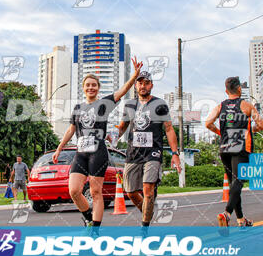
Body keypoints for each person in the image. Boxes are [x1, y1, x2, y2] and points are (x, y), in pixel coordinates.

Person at [53, 57, 143, 231]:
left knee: (95, 192)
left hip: (98, 152)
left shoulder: (103, 104)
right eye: (88, 85)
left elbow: (122, 91)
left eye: (94, 85)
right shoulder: (78, 108)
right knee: (74, 191)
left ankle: (95, 229)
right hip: (81, 152)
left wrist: (134, 76)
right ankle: (89, 218)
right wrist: (59, 148)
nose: (91, 87)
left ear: (98, 88)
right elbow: (71, 130)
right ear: (83, 88)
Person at [115, 71, 182, 233]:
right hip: (133, 153)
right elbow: (123, 126)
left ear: (151, 85)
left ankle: (144, 227)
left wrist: (175, 153)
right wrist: (111, 137)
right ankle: (148, 211)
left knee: (147, 189)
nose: (143, 86)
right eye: (140, 83)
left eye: (146, 83)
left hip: (153, 153)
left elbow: (168, 128)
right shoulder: (130, 104)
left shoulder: (160, 104)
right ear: (136, 85)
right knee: (130, 192)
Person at [205, 76, 263, 227]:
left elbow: (208, 123)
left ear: (226, 91)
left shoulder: (220, 106)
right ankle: (226, 214)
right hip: (241, 148)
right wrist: (251, 129)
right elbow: (261, 125)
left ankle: (241, 220)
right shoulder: (247, 106)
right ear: (239, 89)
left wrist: (221, 133)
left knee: (234, 185)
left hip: (224, 148)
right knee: (238, 182)